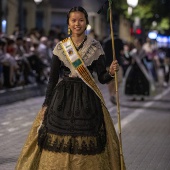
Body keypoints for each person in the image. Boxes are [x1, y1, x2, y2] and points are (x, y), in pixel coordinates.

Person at [15, 6, 125, 170]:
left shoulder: (95, 47)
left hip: (87, 99)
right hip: (62, 99)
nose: (77, 24)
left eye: (81, 20)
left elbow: (102, 78)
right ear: (68, 23)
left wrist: (110, 72)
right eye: (73, 20)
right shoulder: (61, 47)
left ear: (86, 22)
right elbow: (52, 80)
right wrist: (46, 104)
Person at [103, 34, 124, 104]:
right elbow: (122, 52)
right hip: (116, 63)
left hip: (108, 63)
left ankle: (112, 95)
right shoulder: (119, 41)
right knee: (118, 80)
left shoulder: (106, 42)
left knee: (111, 80)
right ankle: (113, 94)